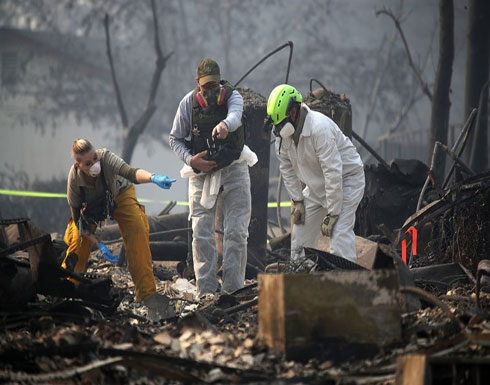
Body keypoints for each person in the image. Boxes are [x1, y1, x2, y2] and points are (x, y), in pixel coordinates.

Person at [169, 58, 256, 297]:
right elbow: (174, 139)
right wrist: (191, 160)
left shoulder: (232, 97)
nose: (210, 91)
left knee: (237, 231)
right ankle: (206, 290)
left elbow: (236, 115)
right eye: (205, 87)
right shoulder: (188, 104)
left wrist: (225, 126)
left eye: (214, 86)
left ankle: (233, 289)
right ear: (198, 83)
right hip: (201, 172)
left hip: (234, 167)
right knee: (201, 232)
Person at [63, 138, 176, 321]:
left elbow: (130, 173)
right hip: (90, 208)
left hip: (120, 194)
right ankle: (68, 290)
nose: (94, 165)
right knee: (76, 242)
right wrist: (99, 244)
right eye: (88, 163)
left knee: (137, 230)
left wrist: (153, 178)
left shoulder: (106, 158)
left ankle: (148, 295)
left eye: (95, 158)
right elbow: (79, 223)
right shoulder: (74, 181)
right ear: (78, 165)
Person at [266, 84, 365, 263]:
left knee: (339, 234)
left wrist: (333, 212)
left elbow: (333, 172)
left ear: (294, 111)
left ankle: (345, 283)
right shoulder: (282, 138)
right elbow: (287, 170)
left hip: (346, 180)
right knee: (300, 231)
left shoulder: (320, 129)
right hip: (317, 185)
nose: (280, 129)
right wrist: (297, 200)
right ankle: (301, 274)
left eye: (282, 122)